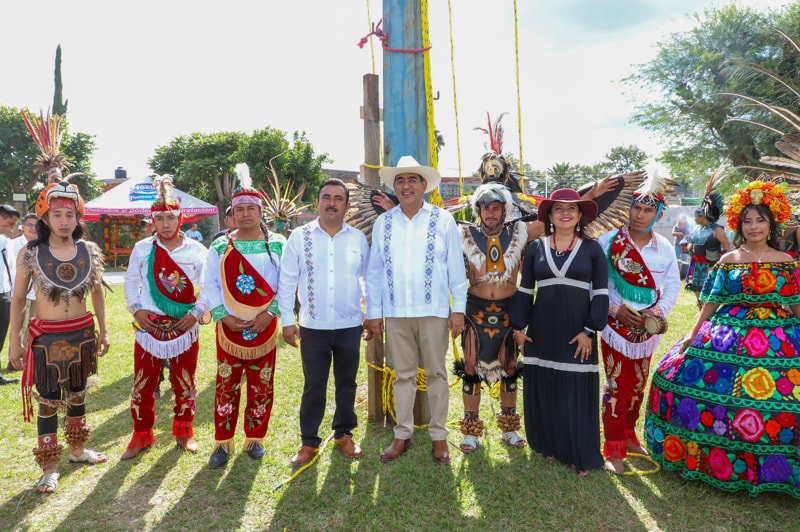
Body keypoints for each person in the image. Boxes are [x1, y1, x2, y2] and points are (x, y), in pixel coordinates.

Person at [646, 180, 800, 496]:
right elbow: (712, 301)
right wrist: (692, 334)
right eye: (747, 220)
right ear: (738, 224)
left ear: (771, 223)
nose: (754, 226)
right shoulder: (729, 260)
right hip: (727, 331)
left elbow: (796, 304)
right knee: (678, 378)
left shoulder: (786, 262)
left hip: (778, 333)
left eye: (760, 220)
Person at [365, 155, 468, 465]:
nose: (406, 185)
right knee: (402, 376)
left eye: (412, 180)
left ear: (425, 185)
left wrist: (458, 309)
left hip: (434, 311)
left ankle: (439, 437)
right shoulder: (383, 222)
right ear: (394, 186)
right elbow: (374, 272)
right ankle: (402, 435)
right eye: (400, 180)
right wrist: (374, 312)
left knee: (437, 374)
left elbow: (455, 267)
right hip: (396, 312)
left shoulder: (443, 219)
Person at [9, 180, 109, 493]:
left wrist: (103, 330)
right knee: (49, 402)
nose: (64, 221)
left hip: (81, 334)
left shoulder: (89, 251)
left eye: (69, 214)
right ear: (45, 219)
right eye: (57, 215)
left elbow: (97, 294)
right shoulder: (30, 253)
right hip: (46, 339)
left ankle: (78, 451)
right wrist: (15, 342)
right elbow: (17, 300)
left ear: (78, 217)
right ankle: (49, 467)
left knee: (78, 395)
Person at [509, 189, 608, 475]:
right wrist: (518, 326)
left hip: (578, 332)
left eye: (572, 209)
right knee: (547, 386)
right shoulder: (536, 248)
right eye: (559, 209)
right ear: (550, 216)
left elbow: (601, 294)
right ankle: (548, 444)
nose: (565, 213)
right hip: (541, 330)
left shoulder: (592, 248)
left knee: (574, 389)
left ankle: (579, 452)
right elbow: (526, 289)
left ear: (579, 216)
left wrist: (589, 330)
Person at [278, 178, 369, 466]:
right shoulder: (299, 237)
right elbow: (286, 281)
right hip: (313, 326)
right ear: (317, 202)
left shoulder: (357, 239)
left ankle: (344, 434)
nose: (331, 202)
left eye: (338, 198)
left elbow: (368, 278)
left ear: (346, 204)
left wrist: (372, 312)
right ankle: (309, 443)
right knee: (314, 385)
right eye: (326, 197)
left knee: (347, 384)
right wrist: (287, 321)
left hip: (349, 325)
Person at [596, 175, 681, 475]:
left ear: (657, 214)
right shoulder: (608, 242)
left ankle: (630, 435)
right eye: (636, 208)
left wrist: (658, 312)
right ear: (630, 208)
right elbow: (597, 284)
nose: (639, 214)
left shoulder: (665, 248)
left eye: (647, 210)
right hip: (615, 326)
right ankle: (614, 447)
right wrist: (615, 310)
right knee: (617, 385)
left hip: (647, 329)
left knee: (638, 384)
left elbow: (672, 285)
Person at [121, 176, 209, 459]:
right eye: (160, 219)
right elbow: (131, 281)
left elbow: (209, 287)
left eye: (171, 217)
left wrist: (196, 314)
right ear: (152, 221)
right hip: (148, 327)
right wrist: (136, 309)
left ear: (180, 218)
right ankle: (141, 435)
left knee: (184, 382)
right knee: (143, 384)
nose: (166, 224)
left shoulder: (197, 250)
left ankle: (184, 432)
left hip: (185, 327)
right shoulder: (143, 248)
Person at [201, 186, 284, 469]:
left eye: (251, 209)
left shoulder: (278, 245)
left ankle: (255, 438)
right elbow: (210, 283)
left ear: (261, 212)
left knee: (262, 385)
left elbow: (287, 284)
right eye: (239, 210)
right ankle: (222, 442)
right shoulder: (220, 246)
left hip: (265, 328)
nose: (245, 214)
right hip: (229, 329)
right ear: (232, 214)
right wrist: (223, 316)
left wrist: (270, 314)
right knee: (226, 385)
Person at [453, 183, 531, 453]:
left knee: (510, 366)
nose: (490, 213)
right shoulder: (462, 232)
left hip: (509, 311)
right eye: (485, 208)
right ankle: (471, 431)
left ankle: (509, 428)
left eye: (496, 208)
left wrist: (594, 195)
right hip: (475, 312)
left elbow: (557, 218)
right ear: (478, 210)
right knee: (471, 367)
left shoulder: (520, 231)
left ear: (504, 209)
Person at [685, 189, 731, 307]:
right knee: (696, 288)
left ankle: (709, 310)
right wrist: (688, 247)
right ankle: (701, 307)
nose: (694, 218)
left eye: (696, 216)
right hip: (698, 265)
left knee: (710, 290)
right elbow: (692, 242)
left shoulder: (717, 229)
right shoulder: (697, 229)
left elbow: (726, 247)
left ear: (702, 216)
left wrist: (724, 265)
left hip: (712, 265)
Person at [6, 213, 38, 373]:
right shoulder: (13, 245)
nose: (32, 228)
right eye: (29, 225)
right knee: (20, 326)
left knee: (33, 327)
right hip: (19, 293)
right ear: (23, 227)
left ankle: (27, 360)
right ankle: (14, 361)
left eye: (36, 225)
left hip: (36, 293)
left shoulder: (42, 245)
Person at [0, 205, 21, 383]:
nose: (12, 228)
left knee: (1, 332)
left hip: (4, 292)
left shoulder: (6, 242)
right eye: (9, 223)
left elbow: (12, 269)